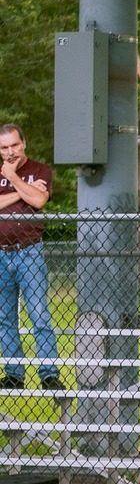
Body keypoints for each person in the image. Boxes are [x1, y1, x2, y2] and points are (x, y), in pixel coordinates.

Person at [0, 123, 59, 393]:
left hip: (29, 251)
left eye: (14, 145)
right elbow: (30, 195)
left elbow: (37, 201)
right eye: (4, 147)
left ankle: (49, 374)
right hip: (0, 254)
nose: (10, 151)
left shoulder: (40, 169)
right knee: (4, 317)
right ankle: (14, 374)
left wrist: (12, 178)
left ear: (24, 143)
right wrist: (23, 190)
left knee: (39, 315)